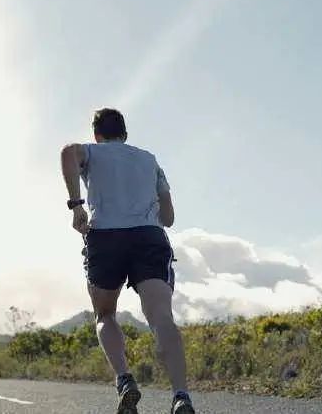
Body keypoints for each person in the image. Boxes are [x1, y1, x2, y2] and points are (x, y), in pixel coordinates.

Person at [60, 108, 195, 414]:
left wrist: (77, 206)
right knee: (161, 317)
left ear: (97, 135)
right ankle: (181, 396)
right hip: (148, 236)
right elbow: (168, 218)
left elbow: (68, 152)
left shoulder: (92, 152)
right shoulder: (149, 160)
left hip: (105, 237)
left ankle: (124, 379)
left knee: (105, 314)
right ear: (125, 134)